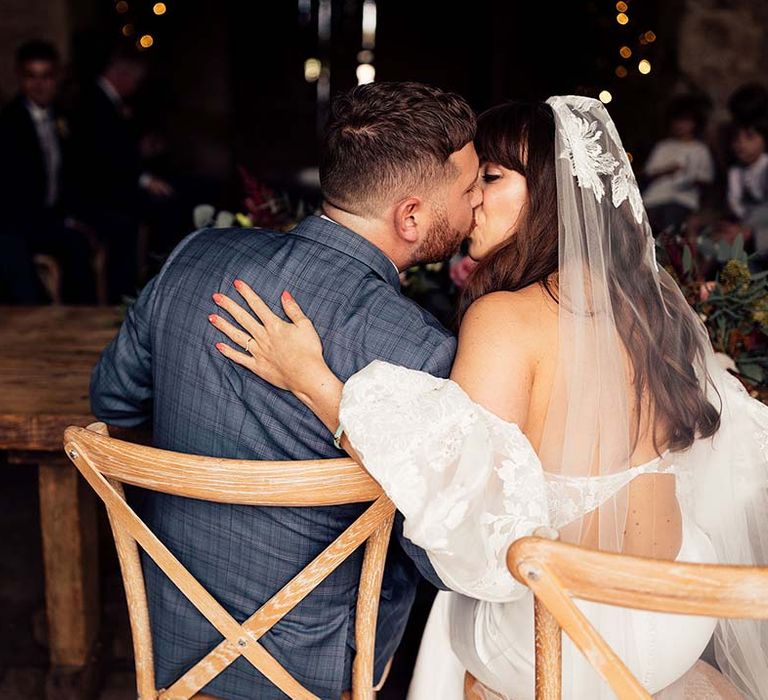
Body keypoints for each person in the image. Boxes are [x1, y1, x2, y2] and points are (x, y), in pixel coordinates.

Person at [211, 97, 768, 699]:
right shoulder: (647, 308)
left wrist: (311, 380)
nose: (471, 197)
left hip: (582, 635)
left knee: (452, 608)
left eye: (491, 178)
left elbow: (465, 506)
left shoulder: (505, 318)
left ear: (549, 195)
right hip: (684, 604)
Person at [90, 81, 481, 699]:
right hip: (318, 665)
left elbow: (113, 402)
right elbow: (440, 556)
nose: (476, 204)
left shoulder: (196, 256)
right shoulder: (419, 348)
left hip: (175, 643)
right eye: (469, 189)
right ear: (411, 216)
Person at [69, 44, 172, 303]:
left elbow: (114, 150)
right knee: (142, 218)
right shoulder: (94, 101)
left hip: (111, 189)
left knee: (160, 207)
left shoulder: (105, 102)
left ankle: (148, 284)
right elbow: (103, 158)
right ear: (123, 75)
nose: (136, 87)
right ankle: (129, 293)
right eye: (135, 81)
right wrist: (144, 179)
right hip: (96, 196)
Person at [0, 40, 95, 303]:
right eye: (31, 77)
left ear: (57, 78)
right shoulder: (8, 124)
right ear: (20, 78)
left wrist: (73, 216)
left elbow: (74, 176)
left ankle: (82, 323)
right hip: (17, 222)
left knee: (79, 246)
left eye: (46, 76)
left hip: (51, 219)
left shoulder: (65, 118)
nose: (39, 85)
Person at [642, 96, 715, 234]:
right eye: (677, 121)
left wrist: (691, 178)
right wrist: (668, 170)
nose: (680, 125)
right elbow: (649, 172)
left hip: (682, 200)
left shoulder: (700, 149)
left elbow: (706, 179)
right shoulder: (663, 146)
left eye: (685, 121)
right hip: (654, 198)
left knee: (670, 226)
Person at [727, 120, 768, 254]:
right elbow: (735, 201)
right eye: (736, 140)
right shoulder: (736, 171)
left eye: (749, 138)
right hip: (747, 219)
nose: (741, 145)